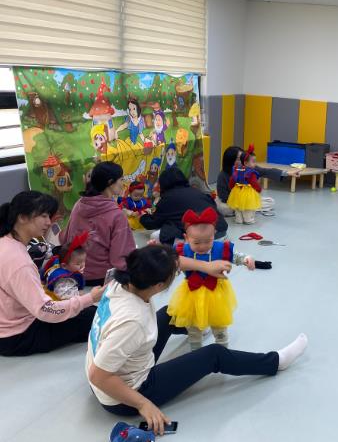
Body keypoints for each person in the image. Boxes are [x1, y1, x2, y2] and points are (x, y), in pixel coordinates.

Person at [86, 244, 308, 435]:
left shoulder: (121, 279)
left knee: (169, 313)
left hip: (115, 368)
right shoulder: (133, 322)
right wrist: (143, 404)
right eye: (174, 275)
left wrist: (206, 266)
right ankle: (275, 362)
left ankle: (197, 328)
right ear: (159, 286)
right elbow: (99, 376)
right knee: (214, 355)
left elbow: (175, 261)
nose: (177, 271)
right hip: (125, 394)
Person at [0, 191, 104, 356]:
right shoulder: (19, 261)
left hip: (8, 326)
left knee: (84, 310)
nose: (48, 222)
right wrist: (91, 297)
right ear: (22, 217)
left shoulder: (6, 242)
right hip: (18, 336)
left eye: (49, 216)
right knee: (94, 315)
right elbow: (45, 310)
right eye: (43, 216)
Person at [167, 208, 254, 350]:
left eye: (208, 241)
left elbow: (235, 256)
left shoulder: (221, 248)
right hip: (191, 294)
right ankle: (196, 350)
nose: (202, 246)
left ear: (214, 234)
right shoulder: (183, 251)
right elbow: (174, 266)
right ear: (186, 237)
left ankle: (222, 348)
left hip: (216, 293)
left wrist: (246, 259)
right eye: (196, 243)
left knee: (219, 325)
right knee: (193, 326)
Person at [61, 162, 137, 286]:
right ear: (110, 182)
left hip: (75, 272)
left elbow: (66, 238)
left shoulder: (79, 204)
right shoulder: (116, 215)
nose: (123, 184)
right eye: (121, 179)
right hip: (102, 278)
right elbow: (121, 258)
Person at [140, 167, 227, 244]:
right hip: (220, 233)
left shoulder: (167, 198)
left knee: (155, 236)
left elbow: (153, 223)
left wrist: (143, 216)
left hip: (198, 240)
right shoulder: (197, 191)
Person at [215, 145, 299, 217]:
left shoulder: (249, 168)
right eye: (239, 159)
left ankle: (245, 211)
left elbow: (266, 171)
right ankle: (245, 211)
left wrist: (287, 173)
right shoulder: (223, 175)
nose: (242, 161)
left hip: (247, 200)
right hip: (233, 202)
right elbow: (223, 196)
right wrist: (239, 202)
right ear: (231, 160)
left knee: (270, 201)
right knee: (223, 208)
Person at [40, 232, 89, 300]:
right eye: (78, 264)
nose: (82, 265)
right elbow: (63, 296)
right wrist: (79, 294)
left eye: (83, 261)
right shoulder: (62, 280)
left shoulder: (68, 270)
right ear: (64, 266)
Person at [227, 144, 262, 224]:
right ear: (245, 163)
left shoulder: (236, 169)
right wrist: (259, 189)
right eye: (253, 161)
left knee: (238, 207)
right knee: (248, 207)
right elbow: (254, 183)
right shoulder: (251, 173)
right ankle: (248, 220)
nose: (255, 163)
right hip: (247, 193)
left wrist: (232, 188)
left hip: (237, 192)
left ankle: (239, 219)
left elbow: (232, 180)